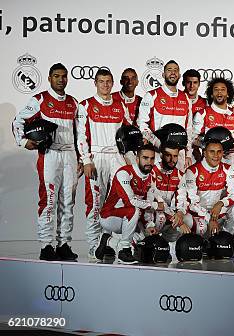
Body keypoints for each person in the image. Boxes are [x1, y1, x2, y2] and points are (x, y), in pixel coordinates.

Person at [12, 63, 80, 261]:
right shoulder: (40, 99)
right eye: (56, 76)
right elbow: (18, 121)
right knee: (48, 200)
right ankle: (45, 246)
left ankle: (64, 244)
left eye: (64, 76)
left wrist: (82, 158)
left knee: (68, 201)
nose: (61, 79)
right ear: (50, 78)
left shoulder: (73, 103)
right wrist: (24, 141)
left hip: (69, 155)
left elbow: (80, 133)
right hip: (49, 154)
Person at [76, 68, 131, 260]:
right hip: (97, 157)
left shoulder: (120, 105)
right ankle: (93, 246)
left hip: (116, 157)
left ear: (113, 83)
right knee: (94, 203)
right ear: (95, 83)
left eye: (108, 81)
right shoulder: (86, 105)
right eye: (101, 81)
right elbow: (81, 136)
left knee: (120, 201)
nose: (105, 85)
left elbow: (128, 131)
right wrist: (86, 161)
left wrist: (128, 158)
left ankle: (108, 242)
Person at [96, 144, 163, 264]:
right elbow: (131, 201)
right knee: (134, 209)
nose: (149, 162)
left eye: (152, 158)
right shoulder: (124, 173)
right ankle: (124, 251)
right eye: (145, 158)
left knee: (142, 241)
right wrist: (155, 205)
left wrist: (149, 225)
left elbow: (146, 205)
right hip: (109, 216)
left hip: (129, 218)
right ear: (137, 159)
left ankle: (108, 240)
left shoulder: (151, 177)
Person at [176, 140, 234, 237]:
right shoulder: (193, 171)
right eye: (212, 151)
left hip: (217, 211)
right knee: (194, 224)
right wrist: (209, 218)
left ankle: (225, 238)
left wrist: (221, 203)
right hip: (199, 214)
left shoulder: (227, 169)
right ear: (205, 153)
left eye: (219, 151)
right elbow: (192, 202)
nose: (216, 155)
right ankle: (198, 245)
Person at [137, 60, 193, 170]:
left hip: (179, 155)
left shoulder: (186, 98)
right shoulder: (151, 95)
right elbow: (142, 125)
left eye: (175, 70)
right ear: (163, 74)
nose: (173, 73)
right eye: (169, 70)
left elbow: (189, 129)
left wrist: (188, 154)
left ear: (179, 75)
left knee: (178, 186)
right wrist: (158, 144)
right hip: (158, 153)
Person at [137, 145, 190, 247]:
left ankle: (163, 244)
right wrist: (176, 220)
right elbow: (156, 201)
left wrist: (179, 213)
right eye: (168, 155)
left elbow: (182, 197)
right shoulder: (152, 172)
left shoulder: (180, 174)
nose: (172, 159)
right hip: (150, 213)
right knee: (159, 216)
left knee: (188, 219)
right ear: (161, 155)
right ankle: (144, 240)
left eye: (175, 156)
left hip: (170, 214)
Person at [193, 78, 234, 168]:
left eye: (223, 89)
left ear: (228, 94)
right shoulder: (202, 114)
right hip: (208, 164)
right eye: (216, 89)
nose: (219, 92)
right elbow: (193, 138)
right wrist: (207, 145)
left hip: (229, 163)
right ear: (211, 94)